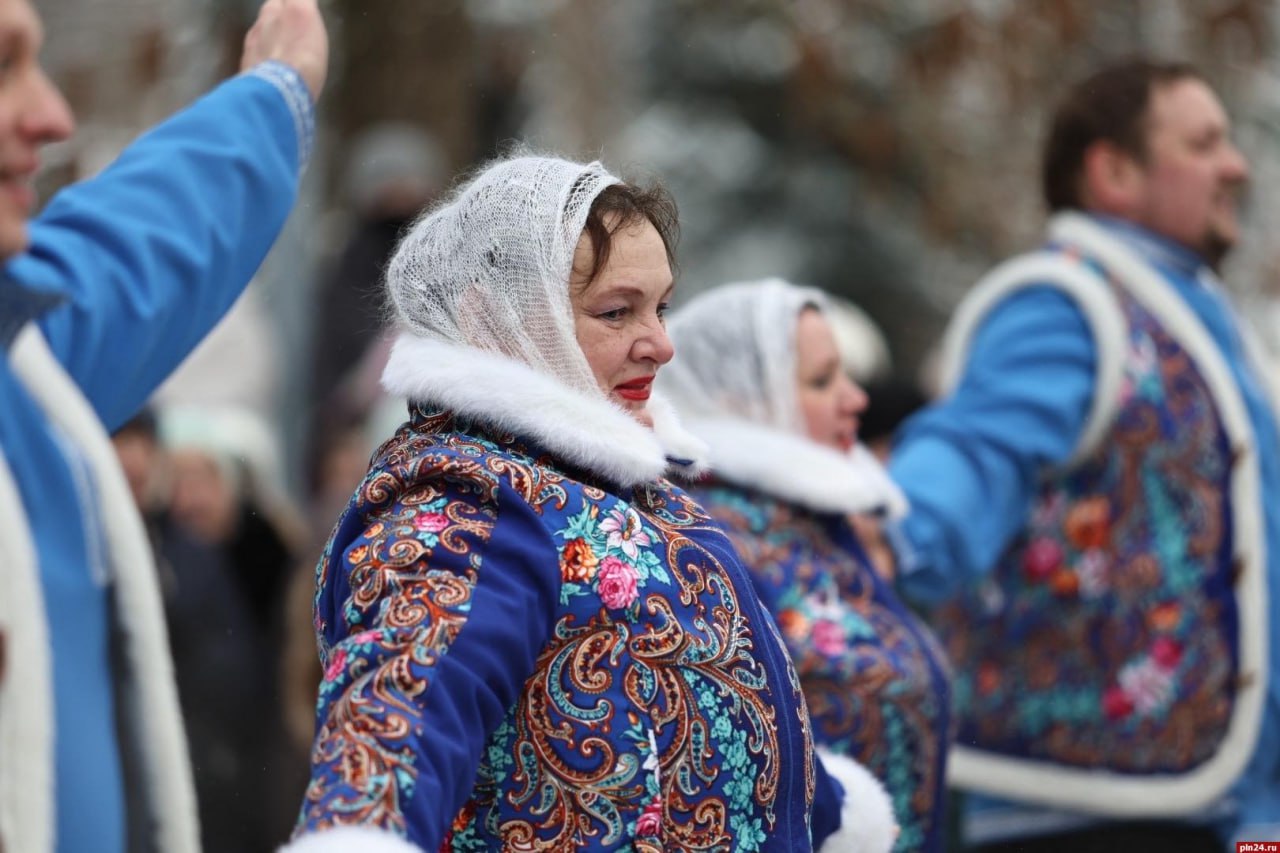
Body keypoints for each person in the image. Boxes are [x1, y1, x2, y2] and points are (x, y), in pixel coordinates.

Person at [287, 154, 887, 852]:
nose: (663, 344)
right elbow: (401, 707)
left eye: (659, 307)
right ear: (495, 318)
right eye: (616, 310)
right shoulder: (469, 501)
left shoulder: (634, 487)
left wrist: (829, 809)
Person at [887, 59, 1277, 850]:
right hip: (1084, 811)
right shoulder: (1064, 305)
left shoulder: (1200, 315)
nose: (1234, 165)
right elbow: (969, 455)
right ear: (1115, 171)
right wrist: (882, 532)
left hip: (1213, 802)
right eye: (1204, 144)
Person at [0, 1, 327, 851]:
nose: (51, 116)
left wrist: (271, 101)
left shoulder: (20, 349)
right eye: (3, 65)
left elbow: (125, 258)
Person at [658, 278, 944, 853]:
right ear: (741, 400)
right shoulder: (715, 540)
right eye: (821, 380)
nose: (855, 399)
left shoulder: (817, 521)